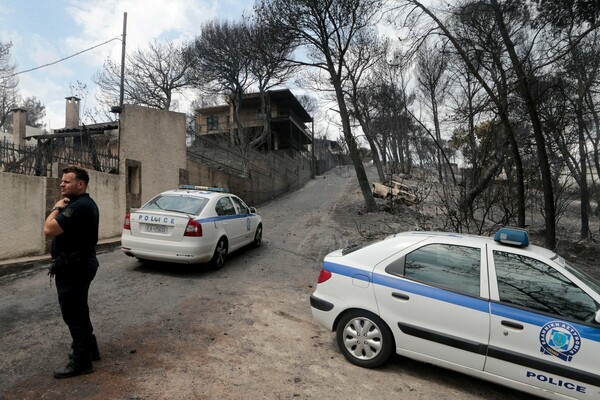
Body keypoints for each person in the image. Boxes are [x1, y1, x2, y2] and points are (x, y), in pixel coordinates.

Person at [43, 165, 100, 379]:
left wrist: (57, 207)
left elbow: (48, 229)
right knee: (79, 309)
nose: (62, 184)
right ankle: (90, 349)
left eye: (67, 181)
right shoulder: (82, 203)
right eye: (62, 180)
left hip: (74, 268)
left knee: (73, 314)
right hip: (80, 264)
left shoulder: (77, 206)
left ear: (80, 184)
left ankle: (81, 362)